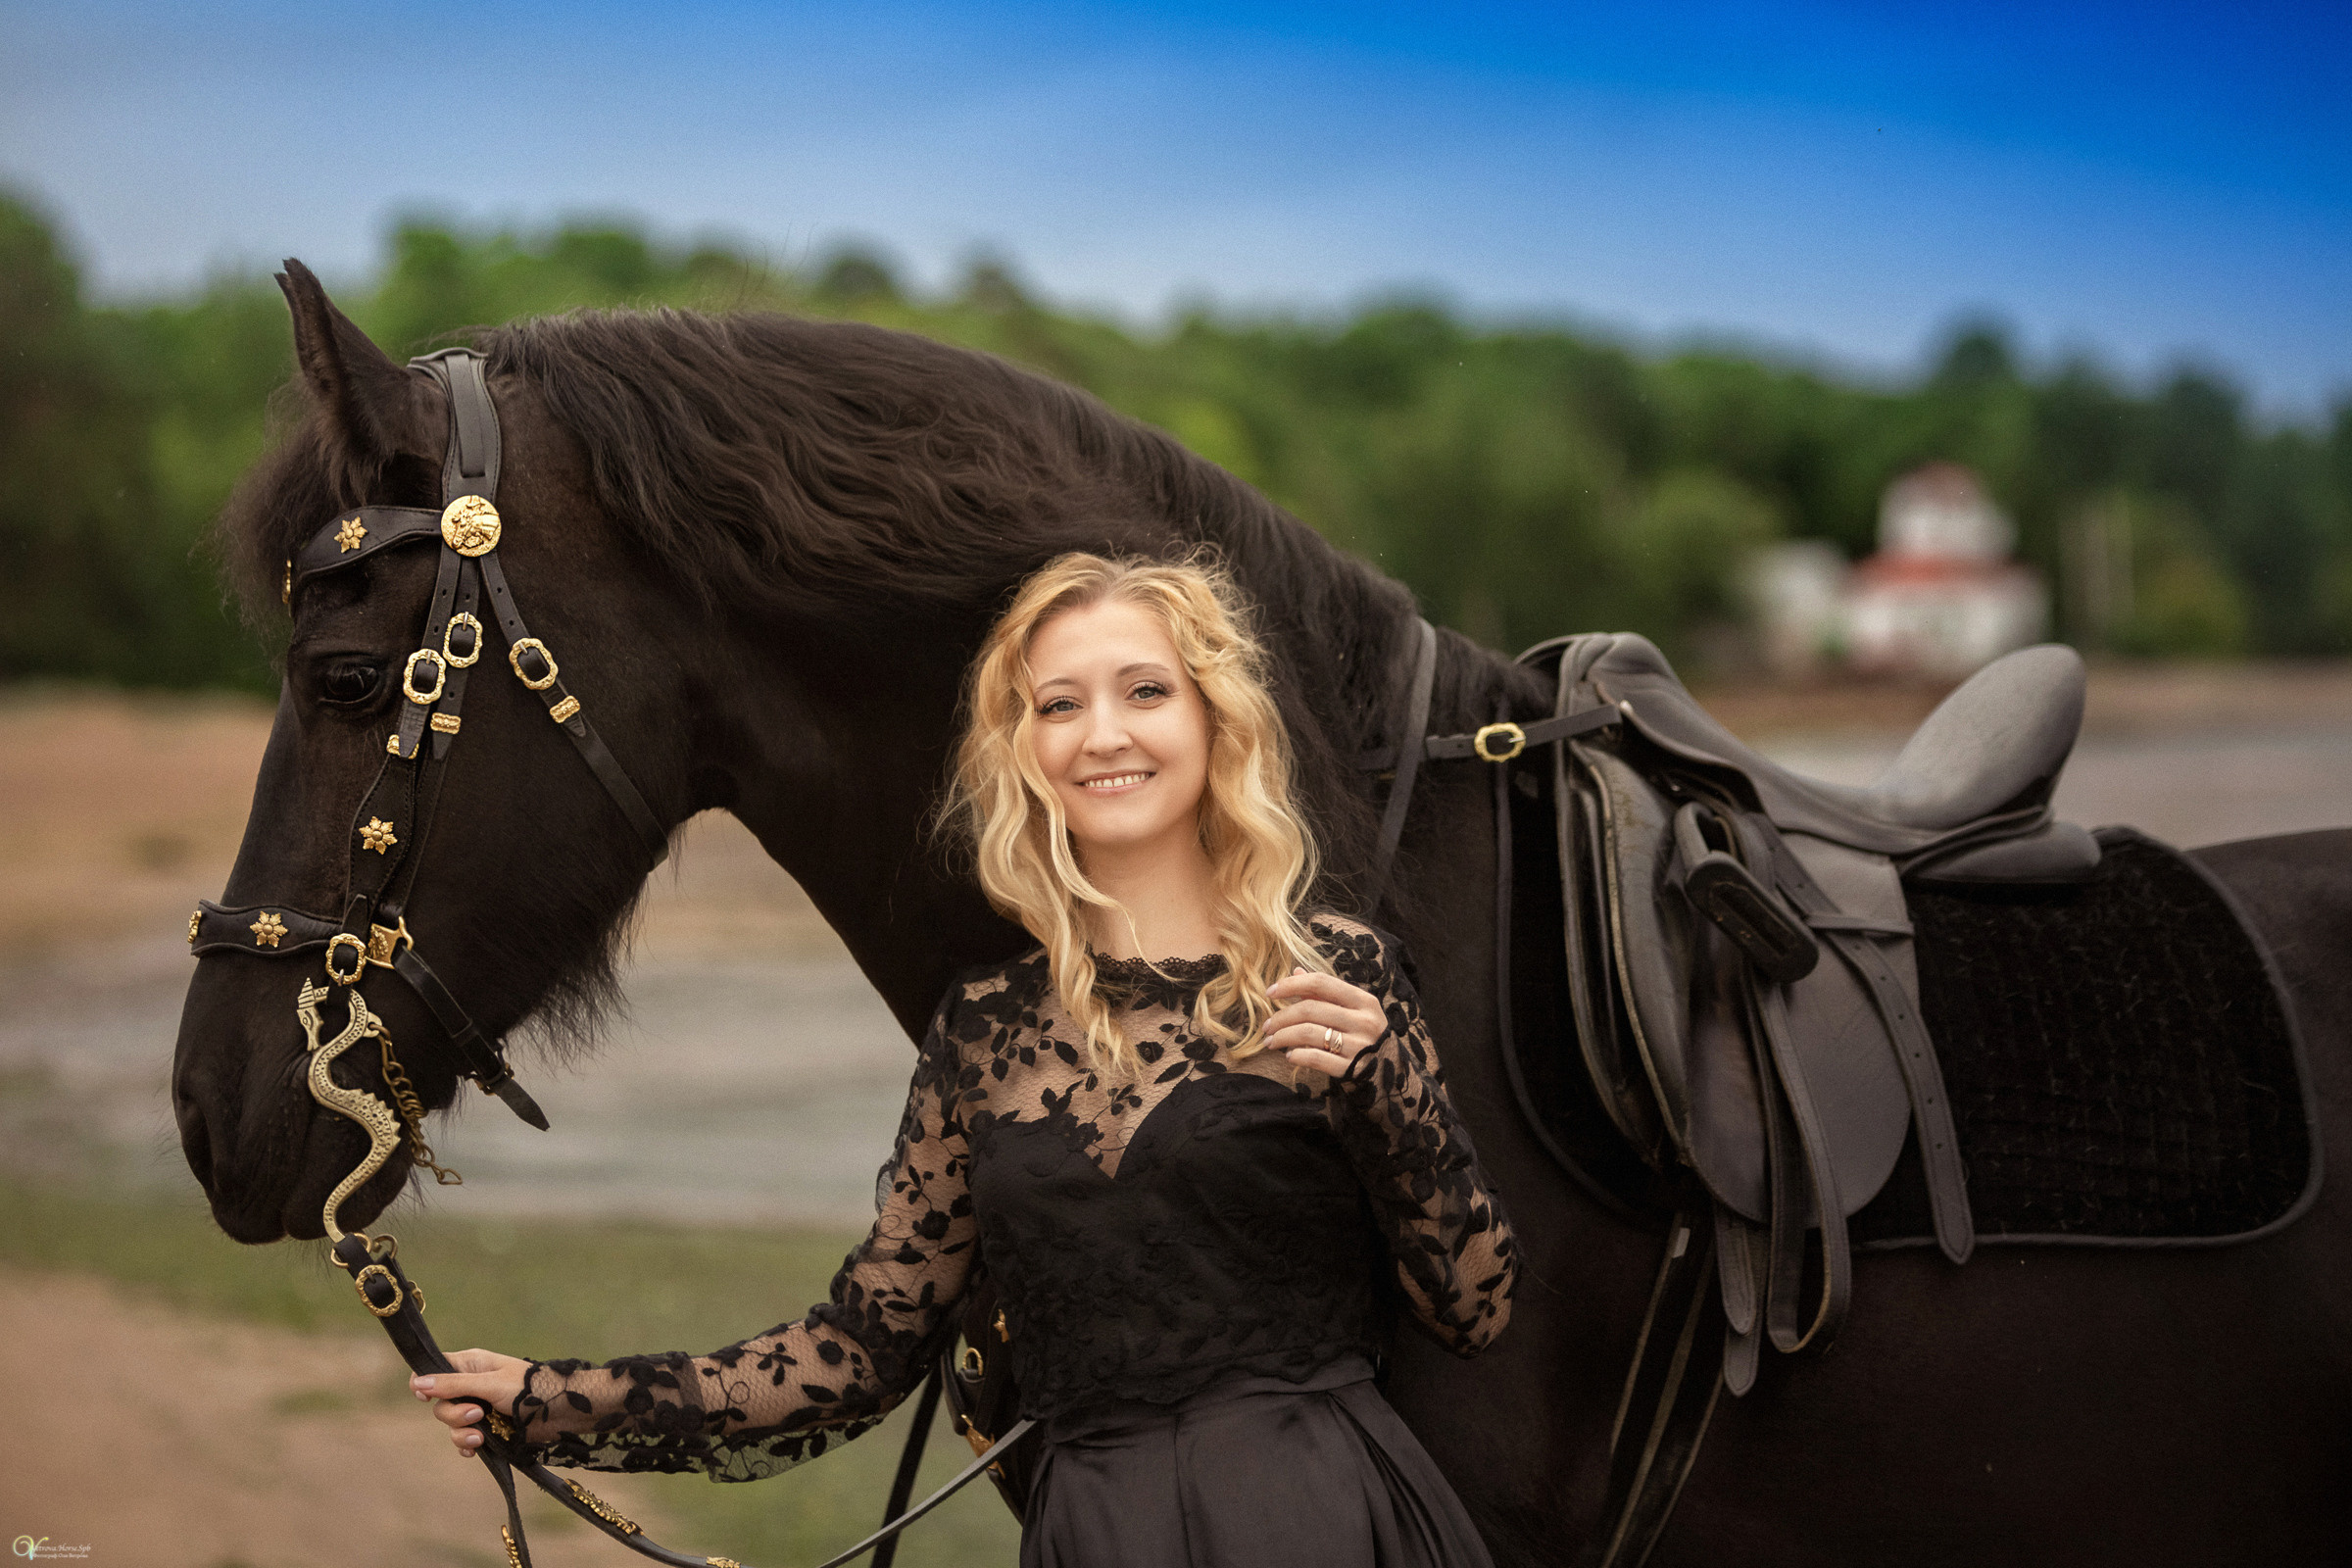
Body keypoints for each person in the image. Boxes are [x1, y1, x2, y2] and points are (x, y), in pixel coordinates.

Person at [409, 553, 1518, 1567]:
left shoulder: (1337, 976)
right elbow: (854, 1355)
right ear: (1025, 747)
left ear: (1215, 717)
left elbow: (1473, 1306)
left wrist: (1389, 1091)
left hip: (1318, 1516)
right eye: (1059, 704)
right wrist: (550, 1397)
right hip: (1095, 1532)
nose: (1104, 734)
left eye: (1145, 690)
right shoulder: (984, 1033)